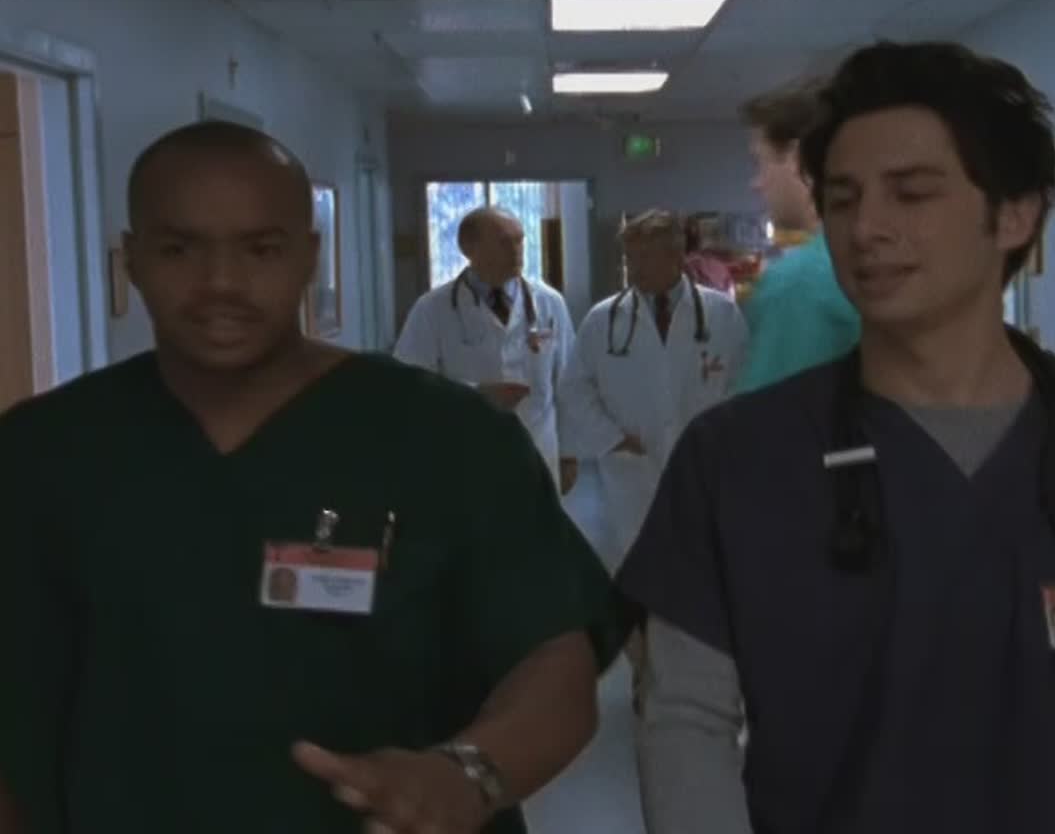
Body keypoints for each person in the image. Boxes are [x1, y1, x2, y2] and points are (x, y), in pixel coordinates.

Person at [617, 42, 1055, 833]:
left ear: (1016, 213)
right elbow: (686, 718)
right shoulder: (738, 460)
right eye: (844, 199)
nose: (867, 228)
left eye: (912, 193)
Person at [0, 121, 625, 834]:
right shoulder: (41, 453)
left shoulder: (449, 439)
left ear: (309, 256)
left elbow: (556, 661)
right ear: (131, 259)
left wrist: (469, 774)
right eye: (179, 248)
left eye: (261, 249)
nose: (221, 283)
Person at [557, 209, 748, 573]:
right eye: (629, 258)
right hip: (631, 473)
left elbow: (741, 388)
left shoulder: (722, 315)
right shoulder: (602, 320)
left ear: (676, 256)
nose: (633, 269)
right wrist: (612, 439)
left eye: (644, 257)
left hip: (704, 468)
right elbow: (575, 390)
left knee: (701, 567)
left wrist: (720, 443)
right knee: (637, 569)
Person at [394, 207, 577, 493]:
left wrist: (570, 454)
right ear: (469, 249)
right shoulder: (432, 309)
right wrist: (475, 394)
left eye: (520, 240)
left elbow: (569, 384)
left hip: (538, 453)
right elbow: (408, 386)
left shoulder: (550, 303)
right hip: (466, 456)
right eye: (504, 242)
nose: (517, 250)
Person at [732, 80, 862, 394]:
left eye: (760, 162)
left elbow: (769, 415)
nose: (757, 183)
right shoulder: (871, 258)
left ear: (799, 160)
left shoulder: (800, 282)